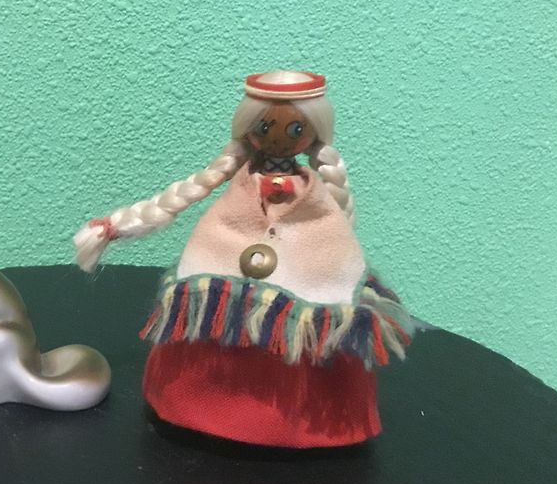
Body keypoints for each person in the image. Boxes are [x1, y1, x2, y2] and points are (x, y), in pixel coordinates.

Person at [73, 70, 413, 447]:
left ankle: (295, 420)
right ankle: (199, 401)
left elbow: (331, 235)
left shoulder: (315, 199)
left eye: (295, 130)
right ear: (250, 129)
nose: (279, 139)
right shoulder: (241, 185)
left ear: (314, 132)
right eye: (265, 127)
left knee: (311, 315)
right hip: (226, 266)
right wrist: (116, 226)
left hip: (305, 268)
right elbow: (180, 198)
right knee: (214, 310)